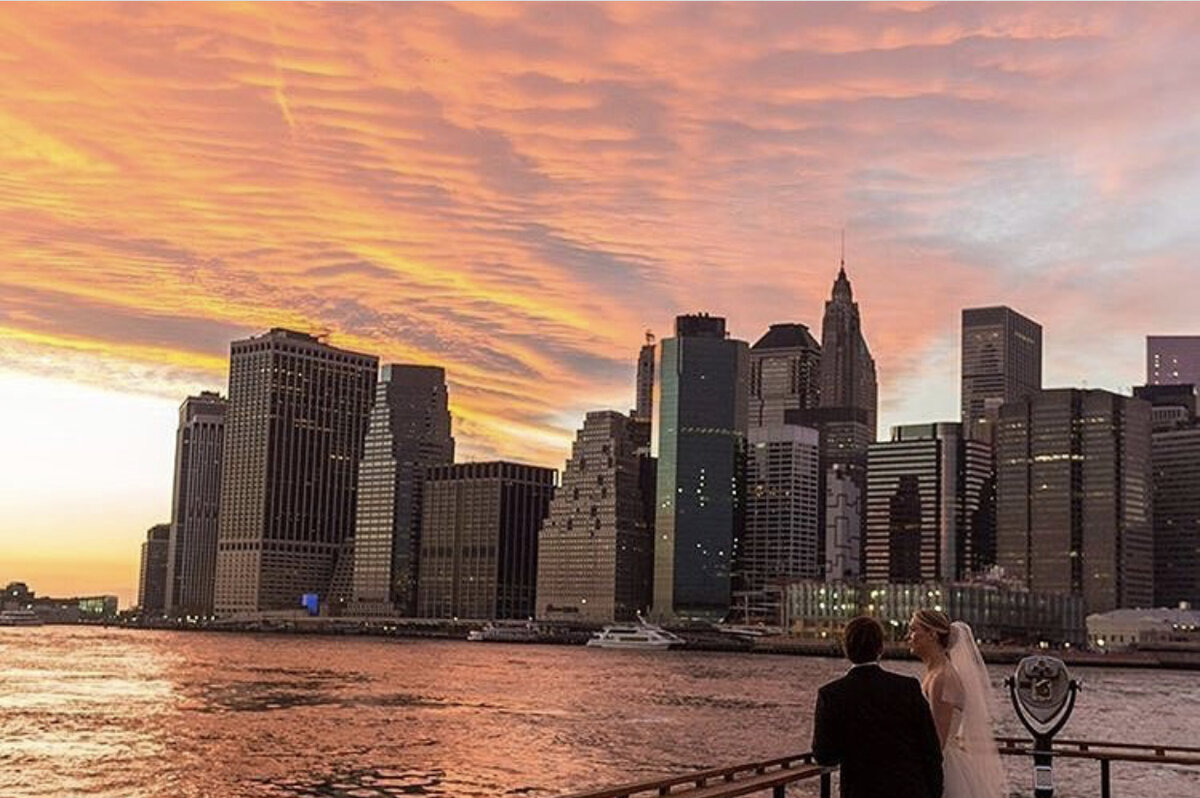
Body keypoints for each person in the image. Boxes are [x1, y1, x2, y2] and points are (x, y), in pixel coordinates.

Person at [812, 616, 944, 798]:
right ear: (880, 649)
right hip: (910, 790)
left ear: (846, 650)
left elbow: (824, 755)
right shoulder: (908, 687)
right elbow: (931, 749)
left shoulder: (831, 695)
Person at [908, 609, 1008, 798]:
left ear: (932, 634)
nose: (909, 636)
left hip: (943, 768)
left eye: (914, 629)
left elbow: (938, 739)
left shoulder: (943, 678)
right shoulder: (936, 674)